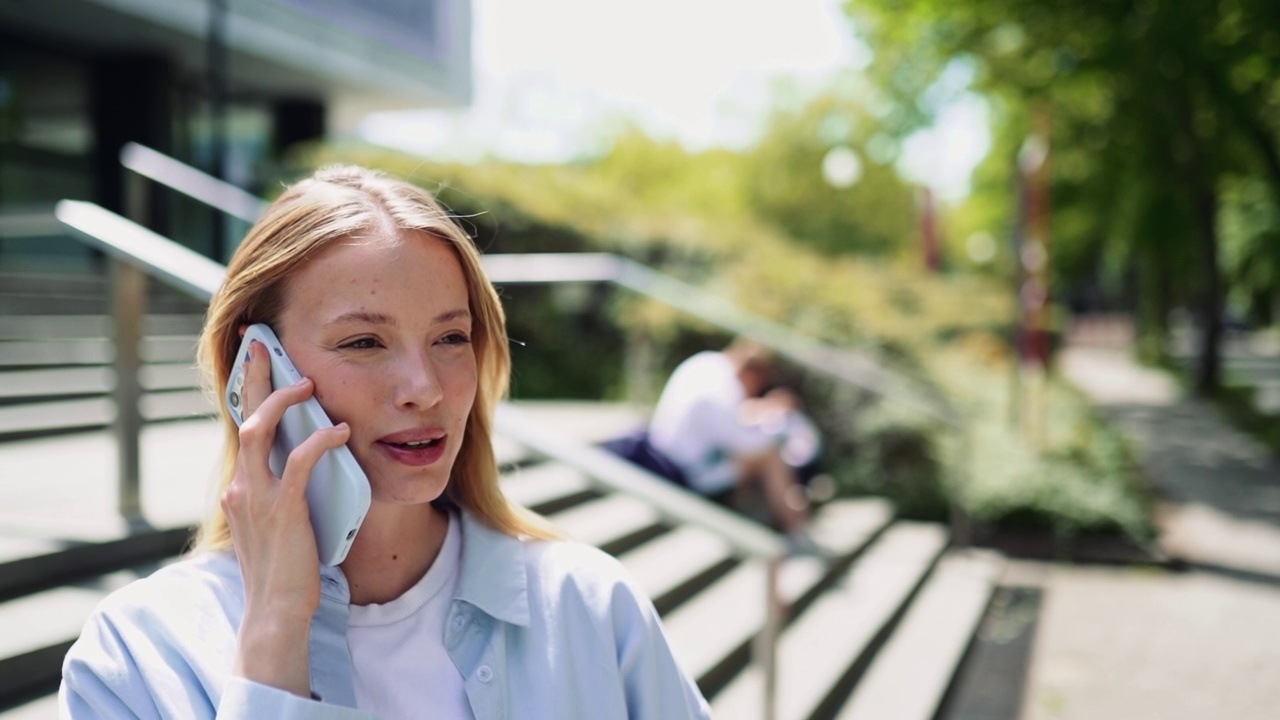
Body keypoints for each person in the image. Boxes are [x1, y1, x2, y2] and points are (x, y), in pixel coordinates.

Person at [58, 166, 711, 719]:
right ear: (257, 365)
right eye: (365, 342)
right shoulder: (138, 652)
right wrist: (275, 634)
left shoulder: (590, 607)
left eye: (451, 338)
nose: (424, 388)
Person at [647, 339, 819, 547]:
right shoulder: (723, 388)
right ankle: (796, 527)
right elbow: (746, 443)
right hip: (686, 470)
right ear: (753, 374)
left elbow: (725, 423)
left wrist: (759, 410)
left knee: (761, 457)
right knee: (771, 457)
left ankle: (781, 521)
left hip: (669, 453)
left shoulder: (707, 363)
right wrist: (772, 414)